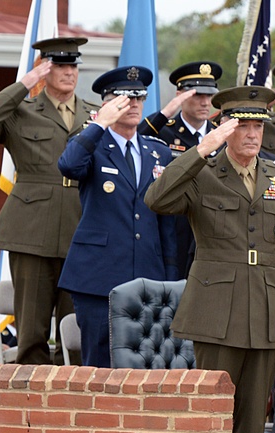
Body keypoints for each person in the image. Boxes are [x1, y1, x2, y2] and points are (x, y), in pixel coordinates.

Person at [145, 86, 275, 433]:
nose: (252, 134)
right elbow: (156, 199)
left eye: (258, 126)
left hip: (265, 310)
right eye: (242, 126)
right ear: (223, 127)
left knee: (253, 418)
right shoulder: (202, 173)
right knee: (213, 408)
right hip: (216, 308)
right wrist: (201, 150)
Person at [0, 37, 98, 365]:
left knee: (77, 334)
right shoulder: (21, 110)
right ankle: (29, 403)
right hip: (31, 230)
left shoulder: (93, 114)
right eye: (59, 65)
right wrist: (24, 84)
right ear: (43, 68)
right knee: (31, 337)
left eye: (73, 65)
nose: (69, 72)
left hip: (81, 229)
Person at [57, 66, 178, 367]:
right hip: (99, 276)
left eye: (140, 98)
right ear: (107, 103)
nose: (134, 104)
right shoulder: (91, 144)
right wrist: (100, 124)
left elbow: (167, 221)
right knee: (99, 365)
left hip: (148, 276)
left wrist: (172, 280)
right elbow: (69, 166)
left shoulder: (157, 153)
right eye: (125, 98)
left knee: (148, 363)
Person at [139, 60, 224, 279]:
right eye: (197, 95)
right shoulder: (163, 131)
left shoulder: (221, 135)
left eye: (209, 95)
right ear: (180, 95)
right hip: (172, 226)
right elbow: (136, 140)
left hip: (211, 227)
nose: (205, 102)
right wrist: (165, 113)